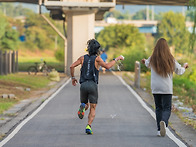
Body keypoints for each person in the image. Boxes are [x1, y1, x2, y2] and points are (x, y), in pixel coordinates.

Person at [70, 39, 124, 135]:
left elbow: (71, 66)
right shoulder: (97, 59)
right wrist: (117, 59)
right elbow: (107, 66)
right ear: (97, 50)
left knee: (85, 104)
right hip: (92, 85)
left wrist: (73, 78)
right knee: (93, 108)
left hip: (83, 85)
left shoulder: (82, 58)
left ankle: (82, 106)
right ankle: (88, 126)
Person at [141, 38, 188, 137]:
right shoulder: (170, 59)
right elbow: (179, 71)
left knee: (158, 108)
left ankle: (159, 130)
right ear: (167, 48)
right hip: (166, 88)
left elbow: (147, 63)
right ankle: (164, 122)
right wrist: (184, 66)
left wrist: (144, 61)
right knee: (167, 108)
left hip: (155, 87)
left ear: (156, 47)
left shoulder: (153, 58)